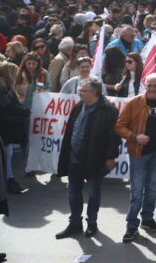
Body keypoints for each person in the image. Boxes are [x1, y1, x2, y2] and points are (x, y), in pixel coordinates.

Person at [54, 76, 119, 239]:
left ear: (95, 92)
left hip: (94, 160)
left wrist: (111, 157)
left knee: (93, 193)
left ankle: (92, 223)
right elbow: (71, 132)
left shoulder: (108, 110)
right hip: (74, 158)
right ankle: (75, 223)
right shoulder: (78, 107)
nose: (79, 93)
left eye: (83, 90)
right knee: (73, 192)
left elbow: (113, 137)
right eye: (80, 90)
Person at [114, 72, 156, 243]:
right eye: (149, 85)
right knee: (137, 191)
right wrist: (135, 137)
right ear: (144, 85)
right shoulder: (133, 103)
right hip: (138, 152)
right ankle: (131, 225)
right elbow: (119, 126)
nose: (153, 88)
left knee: (152, 187)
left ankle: (147, 219)